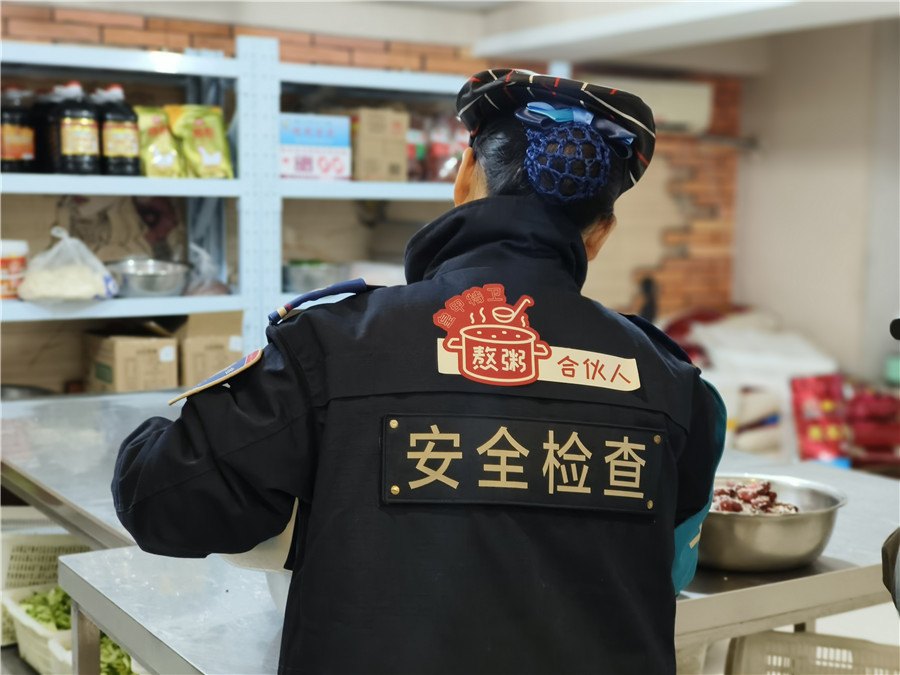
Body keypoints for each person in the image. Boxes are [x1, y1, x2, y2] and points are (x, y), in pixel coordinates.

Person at [113, 69, 726, 675]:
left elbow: (162, 503)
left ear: (464, 176)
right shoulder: (672, 383)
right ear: (600, 235)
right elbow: (670, 565)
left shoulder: (334, 345)